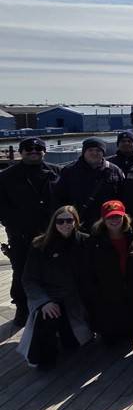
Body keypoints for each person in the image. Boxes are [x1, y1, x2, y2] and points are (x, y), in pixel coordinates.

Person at [18, 206, 91, 368]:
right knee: (48, 316)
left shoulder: (85, 241)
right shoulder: (40, 245)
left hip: (75, 299)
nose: (65, 224)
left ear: (76, 221)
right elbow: (29, 279)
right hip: (51, 297)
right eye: (60, 221)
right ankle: (43, 358)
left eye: (69, 220)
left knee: (73, 343)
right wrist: (43, 301)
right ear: (54, 223)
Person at [0, 137, 60, 326]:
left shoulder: (57, 172)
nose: (33, 151)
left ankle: (51, 305)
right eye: (28, 148)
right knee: (21, 272)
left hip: (52, 233)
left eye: (38, 148)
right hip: (21, 234)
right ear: (21, 152)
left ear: (44, 152)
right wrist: (14, 224)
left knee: (53, 271)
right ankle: (22, 307)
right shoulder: (6, 176)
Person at [85, 200, 133, 346]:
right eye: (110, 217)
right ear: (103, 219)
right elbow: (88, 271)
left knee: (131, 336)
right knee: (110, 341)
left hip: (131, 293)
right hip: (107, 296)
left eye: (117, 216)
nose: (114, 220)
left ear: (124, 217)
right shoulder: (94, 241)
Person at [54, 137, 125, 230]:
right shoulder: (69, 171)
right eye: (90, 150)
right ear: (84, 152)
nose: (94, 153)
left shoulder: (114, 171)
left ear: (103, 153)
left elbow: (123, 196)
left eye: (98, 150)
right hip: (79, 223)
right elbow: (59, 198)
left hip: (107, 223)